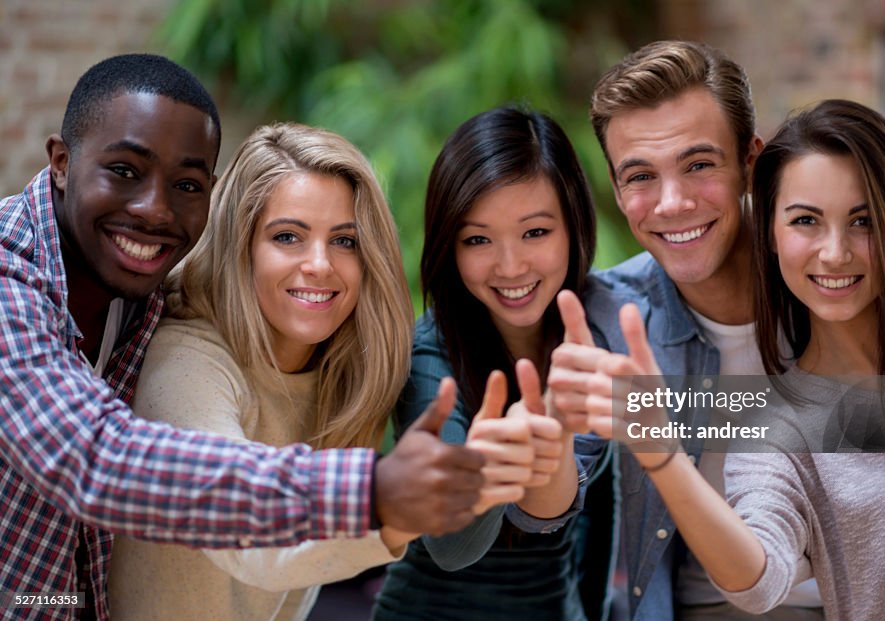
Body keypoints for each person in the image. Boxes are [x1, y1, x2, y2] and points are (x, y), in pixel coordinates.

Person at [0, 54, 483, 621]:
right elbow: (96, 458)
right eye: (125, 171)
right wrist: (370, 491)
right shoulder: (13, 286)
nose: (155, 210)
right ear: (60, 161)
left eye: (185, 184)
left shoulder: (150, 288)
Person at [557, 98, 885, 618]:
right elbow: (755, 580)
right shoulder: (780, 428)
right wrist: (662, 453)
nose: (835, 252)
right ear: (771, 233)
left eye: (863, 220)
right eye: (806, 221)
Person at [534, 41, 824, 620]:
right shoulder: (610, 314)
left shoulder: (832, 278)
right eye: (640, 176)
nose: (672, 203)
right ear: (617, 191)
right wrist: (550, 444)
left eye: (698, 165)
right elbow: (549, 509)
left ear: (750, 160)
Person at [108, 122, 432, 619]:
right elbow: (249, 534)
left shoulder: (341, 372)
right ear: (242, 248)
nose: (320, 264)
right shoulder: (187, 363)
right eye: (288, 237)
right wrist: (391, 506)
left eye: (344, 241)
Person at [372, 106, 613, 621]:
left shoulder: (603, 327)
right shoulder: (430, 354)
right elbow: (450, 548)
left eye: (535, 232)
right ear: (449, 246)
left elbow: (592, 520)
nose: (510, 266)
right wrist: (484, 471)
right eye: (477, 239)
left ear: (573, 224)